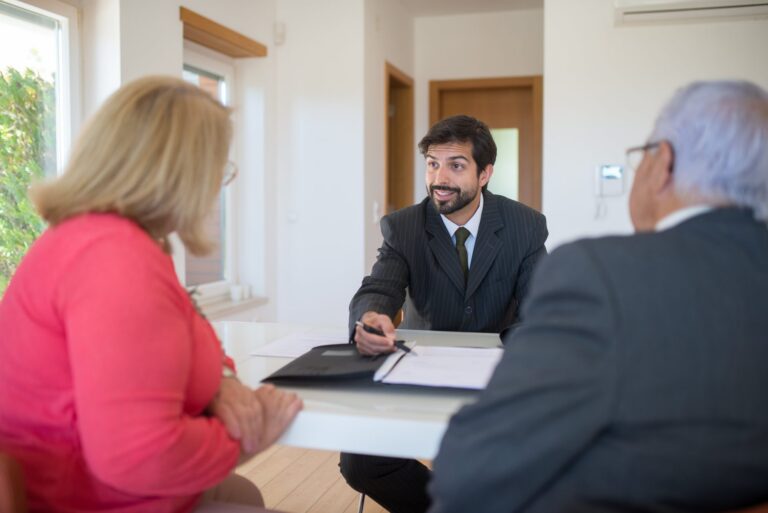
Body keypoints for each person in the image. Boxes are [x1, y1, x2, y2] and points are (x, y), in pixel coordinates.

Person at [428, 80, 768, 513]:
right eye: (432, 164)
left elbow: (469, 472)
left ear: (662, 162)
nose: (440, 177)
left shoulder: (596, 274)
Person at [0, 76, 302, 513]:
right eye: (219, 168)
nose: (219, 184)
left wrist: (223, 382)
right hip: (87, 499)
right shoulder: (114, 259)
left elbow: (190, 334)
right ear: (183, 174)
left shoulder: (100, 237)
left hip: (93, 488)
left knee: (244, 496)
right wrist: (247, 434)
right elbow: (139, 456)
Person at [341, 115, 549, 513]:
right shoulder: (403, 227)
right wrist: (371, 318)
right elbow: (378, 290)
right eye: (433, 163)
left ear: (485, 173)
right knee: (359, 462)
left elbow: (539, 310)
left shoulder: (525, 225)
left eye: (456, 165)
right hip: (422, 372)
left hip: (497, 376)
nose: (440, 177)